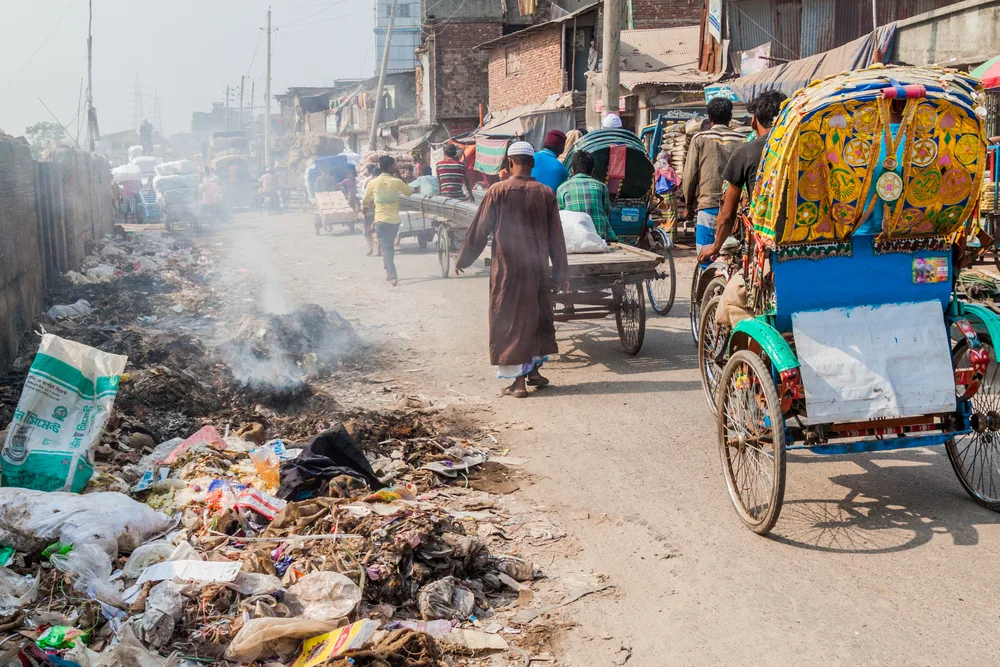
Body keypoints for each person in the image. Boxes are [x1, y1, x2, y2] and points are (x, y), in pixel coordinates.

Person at [455, 141, 569, 398]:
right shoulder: (546, 193)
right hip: (538, 269)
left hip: (507, 269)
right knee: (537, 316)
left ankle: (518, 383)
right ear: (532, 163)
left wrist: (463, 259)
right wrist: (561, 273)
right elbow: (556, 239)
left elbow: (479, 230)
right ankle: (534, 372)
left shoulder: (498, 191)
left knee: (509, 320)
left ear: (509, 163)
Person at [697, 91, 787, 263]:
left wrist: (715, 246)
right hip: (812, 242)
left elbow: (727, 214)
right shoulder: (807, 146)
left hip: (768, 249)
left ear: (754, 122)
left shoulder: (746, 151)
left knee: (734, 289)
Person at [683, 97, 744, 257]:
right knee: (733, 257)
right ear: (730, 117)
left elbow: (690, 176)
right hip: (735, 210)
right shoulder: (742, 141)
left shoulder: (699, 139)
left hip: (708, 206)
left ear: (709, 117)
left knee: (705, 256)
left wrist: (688, 204)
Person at [362, 155, 413, 286]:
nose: (396, 168)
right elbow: (409, 192)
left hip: (380, 220)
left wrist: (365, 210)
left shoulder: (372, 183)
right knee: (388, 247)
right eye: (395, 166)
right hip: (394, 221)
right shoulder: (396, 182)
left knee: (387, 248)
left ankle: (391, 275)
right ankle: (389, 271)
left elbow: (365, 200)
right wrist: (399, 177)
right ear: (390, 167)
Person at [557, 149, 615, 241]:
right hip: (599, 238)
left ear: (572, 170)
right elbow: (607, 213)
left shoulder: (562, 188)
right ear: (592, 170)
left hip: (573, 238)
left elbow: (560, 216)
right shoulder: (601, 187)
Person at [362, 166, 380, 256]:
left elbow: (366, 196)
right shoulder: (385, 182)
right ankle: (379, 250)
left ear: (372, 174)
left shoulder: (369, 182)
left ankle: (371, 248)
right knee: (379, 230)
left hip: (370, 209)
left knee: (367, 230)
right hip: (381, 209)